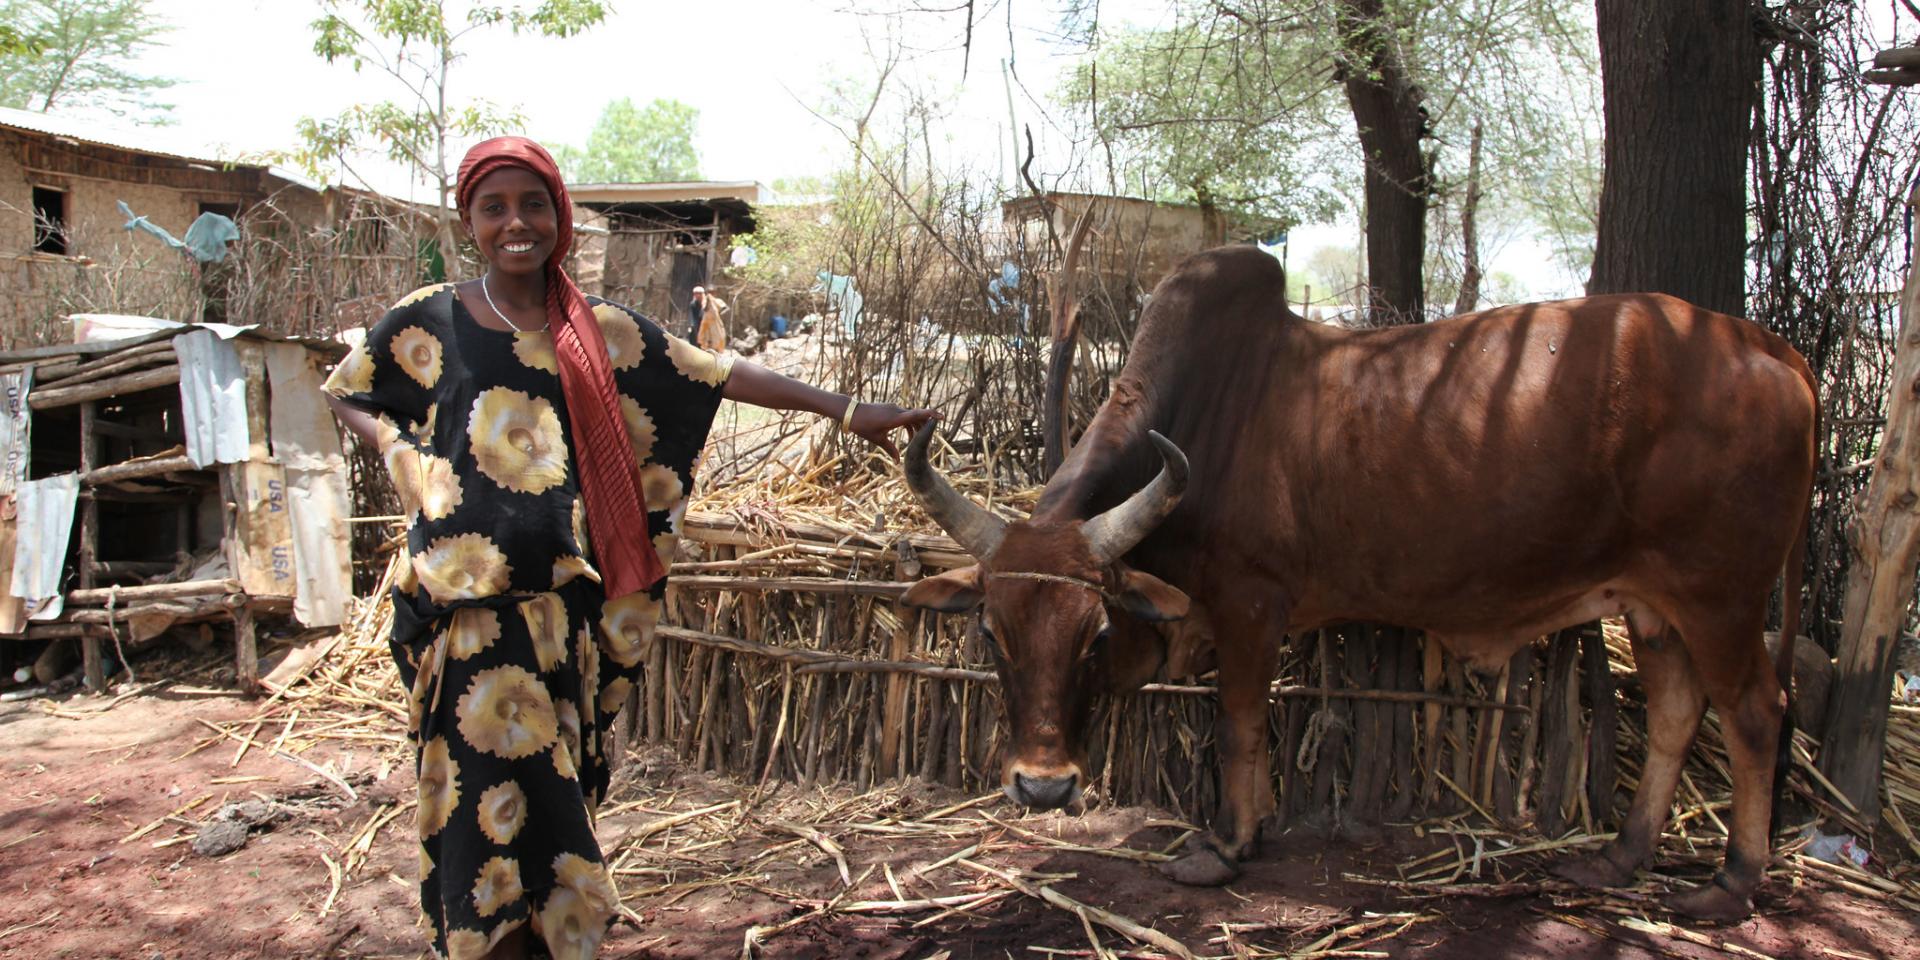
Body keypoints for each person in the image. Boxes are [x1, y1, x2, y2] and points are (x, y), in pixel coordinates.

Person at [321, 136, 933, 960]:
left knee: (554, 820)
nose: (516, 224)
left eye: (533, 205)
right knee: (475, 825)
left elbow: (714, 374)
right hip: (465, 626)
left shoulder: (598, 332)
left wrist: (846, 408)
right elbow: (351, 393)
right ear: (469, 221)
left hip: (558, 623)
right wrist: (407, 464)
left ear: (559, 215)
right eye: (494, 208)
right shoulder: (430, 318)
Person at [689, 284, 728, 352]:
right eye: (696, 294)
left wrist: (719, 314)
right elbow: (699, 314)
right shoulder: (698, 303)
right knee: (702, 340)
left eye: (699, 293)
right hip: (704, 324)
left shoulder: (715, 301)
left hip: (714, 324)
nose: (711, 294)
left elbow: (724, 308)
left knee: (717, 340)